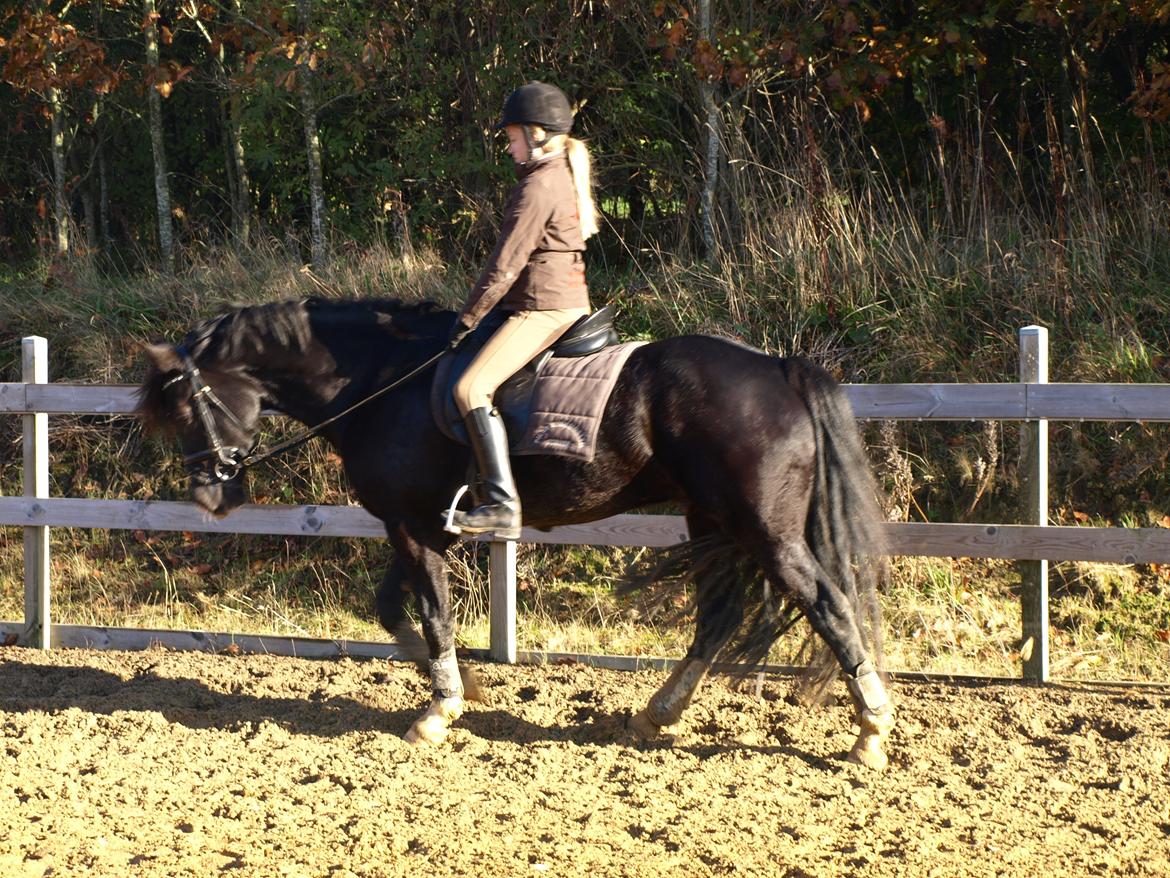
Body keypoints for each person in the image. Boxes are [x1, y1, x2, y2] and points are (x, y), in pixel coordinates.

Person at [445, 81, 599, 539]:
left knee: (471, 388)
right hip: (565, 300)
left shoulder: (537, 185)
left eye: (512, 137)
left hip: (543, 308)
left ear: (537, 135)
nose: (509, 147)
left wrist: (468, 318)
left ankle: (501, 504)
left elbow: (505, 264)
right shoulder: (560, 173)